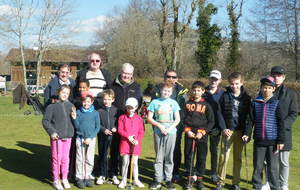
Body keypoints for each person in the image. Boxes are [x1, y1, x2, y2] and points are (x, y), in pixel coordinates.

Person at [242, 76, 284, 190]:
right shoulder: (255, 103)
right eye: (265, 88)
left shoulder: (277, 103)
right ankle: (257, 187)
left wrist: (280, 141)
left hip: (273, 142)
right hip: (259, 141)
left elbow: (281, 123)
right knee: (258, 167)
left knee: (273, 168)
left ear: (273, 89)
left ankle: (275, 187)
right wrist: (247, 134)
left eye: (270, 88)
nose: (267, 90)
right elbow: (250, 120)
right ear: (261, 88)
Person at [262, 66, 298, 190]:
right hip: (268, 132)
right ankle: (269, 182)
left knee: (283, 162)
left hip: (285, 133)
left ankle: (283, 185)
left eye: (279, 75)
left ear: (283, 77)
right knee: (268, 161)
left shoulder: (291, 93)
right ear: (271, 76)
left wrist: (282, 126)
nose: (276, 78)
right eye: (274, 75)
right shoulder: (266, 91)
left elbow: (293, 113)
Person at [215, 72, 251, 190]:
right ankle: (221, 181)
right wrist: (224, 128)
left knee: (238, 158)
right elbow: (219, 113)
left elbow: (248, 118)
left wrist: (247, 133)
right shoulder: (224, 96)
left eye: (236, 84)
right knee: (223, 157)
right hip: (228, 131)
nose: (234, 86)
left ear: (241, 83)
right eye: (232, 84)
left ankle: (236, 183)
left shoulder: (247, 98)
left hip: (240, 132)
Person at [151, 69, 188, 182]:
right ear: (164, 77)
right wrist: (156, 125)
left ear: (177, 78)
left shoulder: (182, 91)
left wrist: (181, 125)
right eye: (168, 76)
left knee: (175, 150)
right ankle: (159, 174)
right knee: (160, 151)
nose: (171, 79)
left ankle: (174, 173)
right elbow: (153, 108)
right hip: (159, 126)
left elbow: (185, 109)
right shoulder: (157, 90)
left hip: (176, 126)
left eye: (173, 77)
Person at [110, 63, 143, 182]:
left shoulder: (136, 86)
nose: (127, 76)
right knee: (114, 148)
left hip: (130, 122)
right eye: (125, 73)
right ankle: (113, 172)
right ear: (121, 71)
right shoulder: (112, 85)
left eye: (129, 74)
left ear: (132, 74)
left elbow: (139, 102)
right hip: (115, 121)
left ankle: (129, 175)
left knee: (129, 149)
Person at [147, 83, 181, 190]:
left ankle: (168, 180)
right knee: (159, 156)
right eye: (165, 91)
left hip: (171, 132)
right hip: (158, 131)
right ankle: (157, 179)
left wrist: (169, 129)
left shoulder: (174, 103)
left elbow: (177, 119)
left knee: (169, 156)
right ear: (161, 91)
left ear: (171, 92)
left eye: (169, 91)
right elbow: (149, 118)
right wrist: (160, 126)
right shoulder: (154, 102)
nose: (166, 93)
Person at [42, 85, 75, 190]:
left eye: (67, 93)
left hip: (68, 136)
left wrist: (75, 118)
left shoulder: (71, 106)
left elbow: (74, 121)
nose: (65, 94)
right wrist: (52, 132)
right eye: (63, 92)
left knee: (66, 159)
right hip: (57, 138)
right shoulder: (51, 107)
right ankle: (56, 180)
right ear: (59, 92)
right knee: (57, 159)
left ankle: (64, 178)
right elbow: (45, 121)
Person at [183, 81, 215, 190]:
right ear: (191, 91)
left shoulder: (207, 105)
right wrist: (187, 130)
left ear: (203, 91)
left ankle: (200, 179)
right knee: (189, 156)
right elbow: (182, 119)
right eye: (194, 90)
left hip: (202, 135)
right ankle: (189, 178)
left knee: (201, 157)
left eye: (199, 90)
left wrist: (203, 132)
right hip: (190, 134)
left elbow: (211, 121)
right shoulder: (187, 104)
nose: (196, 92)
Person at [71, 94, 100, 189]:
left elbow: (97, 127)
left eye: (88, 102)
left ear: (91, 102)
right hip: (80, 138)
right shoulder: (79, 112)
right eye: (84, 101)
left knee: (89, 158)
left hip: (91, 139)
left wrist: (90, 137)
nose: (86, 103)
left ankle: (87, 176)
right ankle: (79, 177)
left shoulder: (95, 113)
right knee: (80, 159)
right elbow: (77, 126)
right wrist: (75, 118)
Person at [117, 97, 145, 189]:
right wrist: (128, 136)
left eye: (132, 108)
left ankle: (136, 180)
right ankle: (124, 180)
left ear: (136, 107)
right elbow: (120, 130)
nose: (130, 110)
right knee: (125, 162)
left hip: (135, 144)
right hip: (125, 143)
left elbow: (141, 131)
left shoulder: (139, 119)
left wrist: (137, 139)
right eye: (128, 107)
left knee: (135, 163)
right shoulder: (122, 118)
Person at [203, 70, 225, 184]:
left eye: (216, 79)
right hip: (202, 126)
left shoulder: (223, 93)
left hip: (216, 127)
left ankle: (213, 173)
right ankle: (199, 172)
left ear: (220, 81)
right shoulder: (202, 91)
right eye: (212, 78)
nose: (213, 81)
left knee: (214, 151)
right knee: (202, 151)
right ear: (209, 79)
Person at [96, 89, 120, 185]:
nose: (106, 101)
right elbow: (97, 124)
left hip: (114, 137)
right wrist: (103, 130)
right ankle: (102, 174)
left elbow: (120, 123)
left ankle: (114, 174)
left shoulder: (117, 111)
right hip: (103, 136)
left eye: (109, 99)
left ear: (113, 99)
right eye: (105, 99)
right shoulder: (99, 111)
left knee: (114, 155)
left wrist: (115, 128)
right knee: (103, 155)